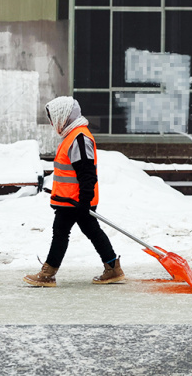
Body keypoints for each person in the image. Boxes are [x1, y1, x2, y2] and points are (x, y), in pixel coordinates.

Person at [24, 96, 123, 287]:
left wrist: (85, 201)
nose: (52, 123)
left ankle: (48, 274)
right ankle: (112, 267)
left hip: (76, 201)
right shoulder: (72, 136)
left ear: (64, 115)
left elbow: (87, 173)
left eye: (53, 117)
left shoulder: (79, 138)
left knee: (61, 233)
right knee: (91, 231)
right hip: (69, 199)